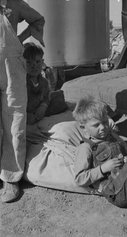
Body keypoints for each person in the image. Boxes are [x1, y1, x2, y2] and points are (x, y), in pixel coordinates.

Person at [0, 0, 45, 203]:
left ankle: (11, 177)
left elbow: (37, 19)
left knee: (15, 121)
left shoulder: (14, 3)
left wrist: (19, 40)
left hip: (12, 68)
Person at [23, 43, 50, 125]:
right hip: (26, 114)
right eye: (28, 62)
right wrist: (26, 115)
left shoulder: (44, 82)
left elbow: (46, 97)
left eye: (37, 62)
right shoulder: (22, 82)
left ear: (42, 62)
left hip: (39, 112)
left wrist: (43, 106)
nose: (34, 66)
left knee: (58, 98)